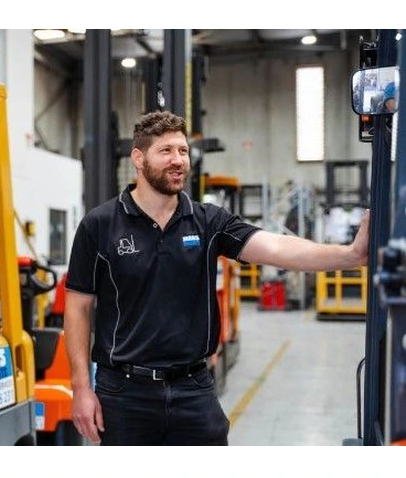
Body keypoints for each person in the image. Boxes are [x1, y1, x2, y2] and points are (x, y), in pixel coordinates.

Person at [64, 110, 369, 446]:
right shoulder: (99, 225)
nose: (178, 160)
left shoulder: (208, 222)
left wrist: (350, 255)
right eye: (166, 151)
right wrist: (81, 388)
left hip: (192, 388)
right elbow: (77, 307)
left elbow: (277, 247)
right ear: (138, 158)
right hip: (124, 393)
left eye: (183, 151)